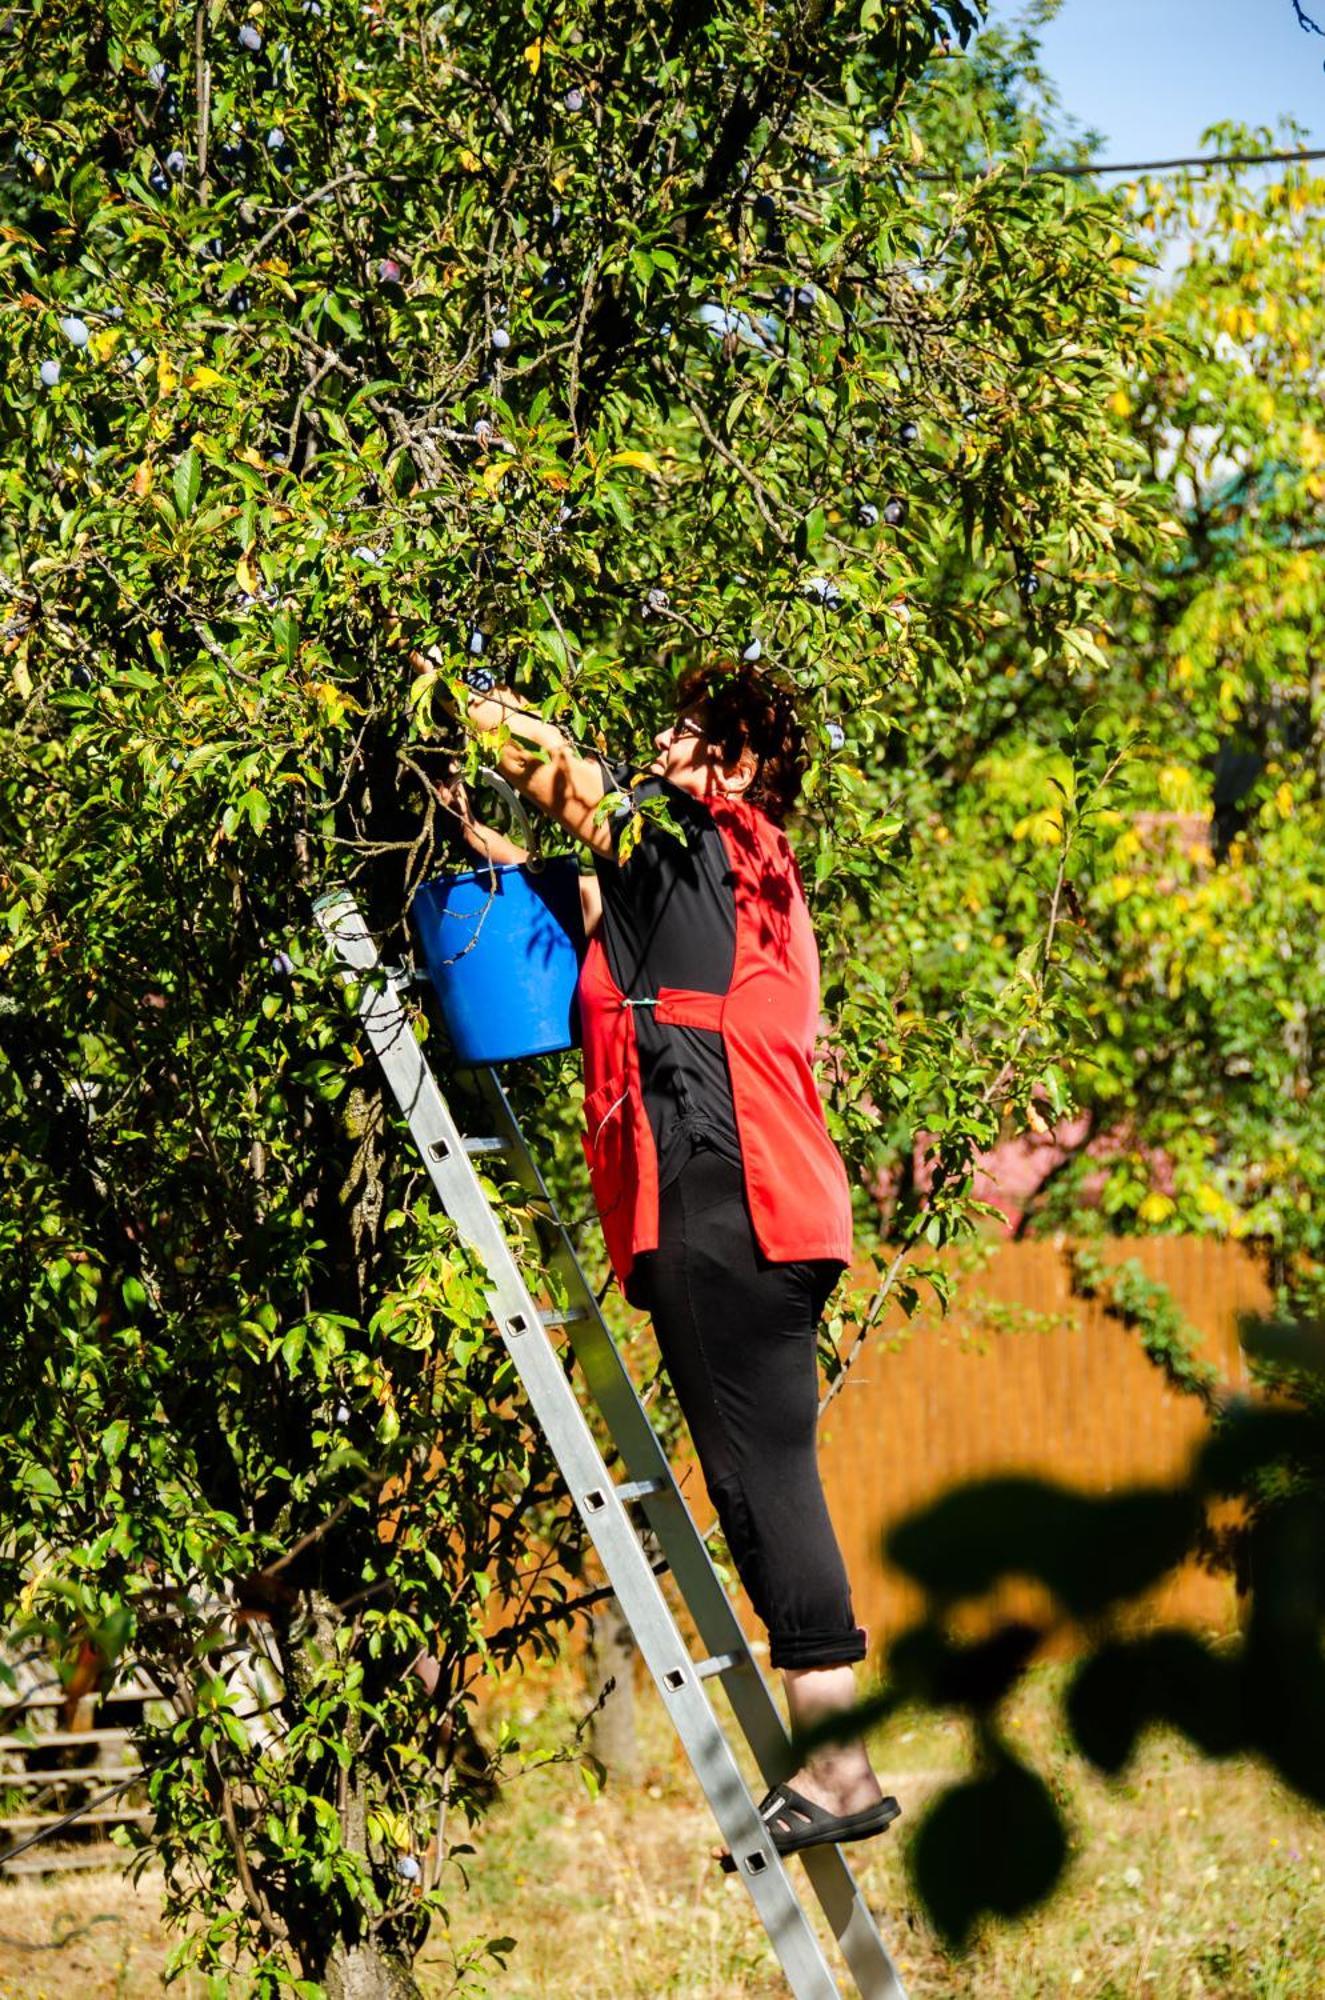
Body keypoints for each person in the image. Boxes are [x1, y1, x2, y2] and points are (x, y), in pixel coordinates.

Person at [433, 654, 899, 1867]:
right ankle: (838, 1748)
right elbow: (592, 914)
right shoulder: (743, 878)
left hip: (718, 1196)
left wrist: (446, 691)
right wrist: (461, 827)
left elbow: (565, 783)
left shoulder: (687, 837)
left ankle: (838, 1759)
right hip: (775, 1204)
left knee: (761, 1479)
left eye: (688, 728)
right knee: (771, 1466)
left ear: (735, 764)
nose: (660, 736)